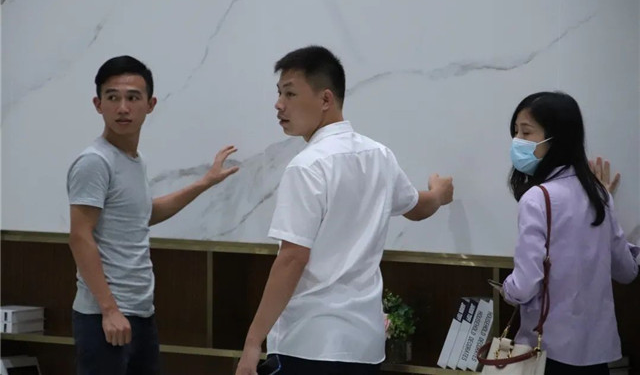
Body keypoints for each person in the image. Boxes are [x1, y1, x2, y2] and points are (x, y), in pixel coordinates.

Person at [235, 46, 454, 375]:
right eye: (279, 93)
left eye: (290, 93)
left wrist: (253, 343)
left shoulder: (307, 166)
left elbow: (292, 257)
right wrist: (438, 194)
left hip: (309, 343)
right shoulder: (379, 155)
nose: (279, 104)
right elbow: (415, 207)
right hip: (364, 346)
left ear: (325, 99)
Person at [67, 55, 239, 375]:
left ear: (150, 104)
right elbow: (80, 236)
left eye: (133, 98)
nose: (123, 108)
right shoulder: (95, 161)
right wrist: (109, 309)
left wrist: (204, 183)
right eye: (113, 97)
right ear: (98, 104)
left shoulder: (135, 160)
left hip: (140, 312)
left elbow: (143, 214)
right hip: (104, 316)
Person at [501, 91, 639, 375]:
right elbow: (626, 271)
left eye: (526, 132)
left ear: (556, 139)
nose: (517, 140)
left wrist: (507, 289)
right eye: (515, 132)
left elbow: (525, 284)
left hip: (548, 351)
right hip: (596, 353)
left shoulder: (537, 198)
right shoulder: (599, 194)